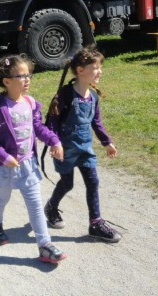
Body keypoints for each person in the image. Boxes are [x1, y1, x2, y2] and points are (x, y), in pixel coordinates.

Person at [0, 54, 67, 264]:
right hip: (5, 166)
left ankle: (45, 245)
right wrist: (4, 156)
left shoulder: (30, 102)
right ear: (7, 81)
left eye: (29, 74)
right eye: (21, 76)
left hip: (28, 163)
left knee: (35, 204)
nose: (27, 79)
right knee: (2, 197)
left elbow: (38, 127)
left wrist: (54, 141)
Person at [44, 45, 121, 243]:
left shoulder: (93, 97)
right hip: (65, 150)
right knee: (67, 184)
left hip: (85, 149)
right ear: (80, 70)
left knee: (93, 182)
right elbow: (52, 121)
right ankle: (51, 207)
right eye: (95, 68)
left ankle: (95, 223)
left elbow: (96, 122)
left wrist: (106, 142)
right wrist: (54, 142)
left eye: (100, 67)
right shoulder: (65, 94)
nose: (100, 71)